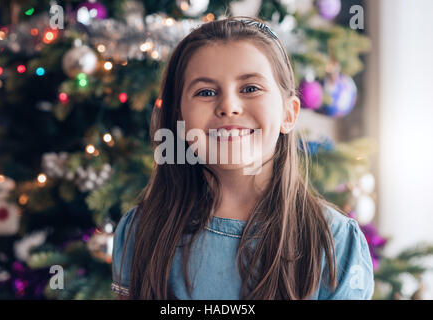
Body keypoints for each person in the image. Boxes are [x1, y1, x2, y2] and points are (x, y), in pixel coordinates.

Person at [111, 16, 374, 300]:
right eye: (206, 92)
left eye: (250, 88)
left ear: (289, 114)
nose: (228, 106)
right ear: (180, 119)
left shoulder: (335, 242)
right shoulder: (141, 231)